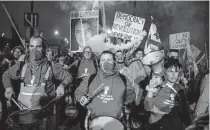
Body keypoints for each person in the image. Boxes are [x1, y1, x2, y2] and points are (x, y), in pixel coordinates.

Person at [2, 36, 73, 129]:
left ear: (43, 48)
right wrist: (8, 88)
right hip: (23, 113)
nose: (34, 50)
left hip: (46, 116)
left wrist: (62, 85)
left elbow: (69, 77)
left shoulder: (51, 66)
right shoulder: (21, 65)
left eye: (38, 47)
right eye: (31, 46)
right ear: (28, 48)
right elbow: (6, 75)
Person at [75, 50, 135, 130]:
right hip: (94, 122)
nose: (105, 62)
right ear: (99, 63)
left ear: (114, 62)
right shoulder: (91, 78)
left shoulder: (123, 78)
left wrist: (127, 102)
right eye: (103, 60)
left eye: (109, 60)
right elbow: (78, 91)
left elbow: (131, 94)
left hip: (116, 122)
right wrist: (81, 98)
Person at [144, 58, 191, 130]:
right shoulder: (158, 86)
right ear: (165, 72)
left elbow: (185, 111)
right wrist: (150, 91)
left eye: (176, 71)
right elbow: (147, 108)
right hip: (157, 125)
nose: (173, 74)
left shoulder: (181, 89)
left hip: (175, 126)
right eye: (170, 71)